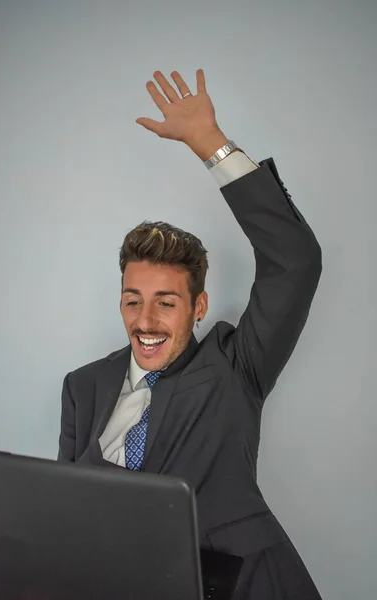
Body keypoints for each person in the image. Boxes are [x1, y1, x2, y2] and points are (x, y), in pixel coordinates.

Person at [58, 69, 323, 599]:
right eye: (133, 300)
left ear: (199, 306)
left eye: (166, 302)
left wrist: (210, 144)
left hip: (241, 585)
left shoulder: (236, 364)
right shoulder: (84, 385)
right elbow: (67, 508)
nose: (146, 320)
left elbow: (294, 262)